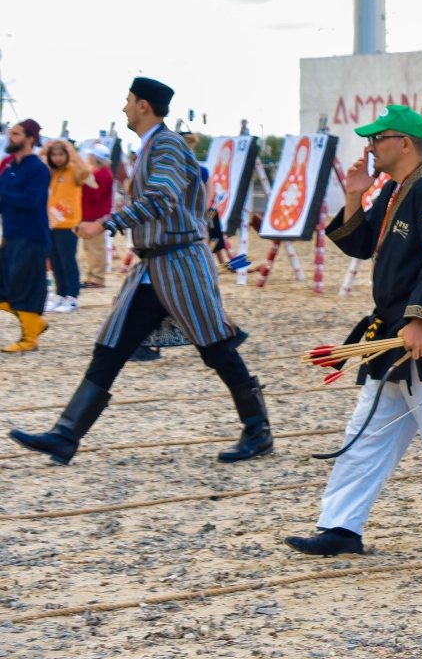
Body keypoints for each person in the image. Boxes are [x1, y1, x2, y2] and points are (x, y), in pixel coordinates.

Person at [8, 78, 272, 465]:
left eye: (129, 101)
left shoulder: (165, 144)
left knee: (216, 347)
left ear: (144, 105)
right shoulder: (154, 145)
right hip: (155, 266)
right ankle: (66, 435)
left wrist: (107, 223)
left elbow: (161, 197)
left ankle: (258, 430)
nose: (125, 108)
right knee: (111, 345)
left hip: (181, 264)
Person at [284, 104, 422, 561]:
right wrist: (356, 195)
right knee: (366, 433)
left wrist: (421, 320)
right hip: (391, 335)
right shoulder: (397, 191)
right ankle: (341, 526)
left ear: (405, 142)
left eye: (378, 139)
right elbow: (361, 246)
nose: (371, 146)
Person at [0, 120, 51, 352]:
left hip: (31, 236)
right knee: (5, 287)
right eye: (10, 133)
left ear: (30, 138)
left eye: (16, 133)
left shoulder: (38, 169)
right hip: (11, 234)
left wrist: (3, 195)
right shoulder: (9, 167)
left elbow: (32, 201)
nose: (11, 137)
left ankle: (29, 339)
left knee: (25, 286)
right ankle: (36, 323)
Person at [42, 138, 94, 313]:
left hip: (68, 224)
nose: (57, 158)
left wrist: (71, 150)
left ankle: (72, 297)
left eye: (60, 154)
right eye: (54, 155)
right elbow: (36, 169)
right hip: (51, 224)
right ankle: (61, 294)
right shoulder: (53, 173)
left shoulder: (73, 171)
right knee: (55, 261)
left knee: (67, 260)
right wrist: (43, 151)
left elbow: (86, 171)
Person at [80, 143, 115, 289]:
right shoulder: (102, 172)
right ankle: (92, 275)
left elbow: (94, 194)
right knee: (91, 248)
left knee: (95, 248)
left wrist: (83, 182)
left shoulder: (102, 173)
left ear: (94, 157)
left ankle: (97, 278)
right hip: (93, 214)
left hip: (95, 215)